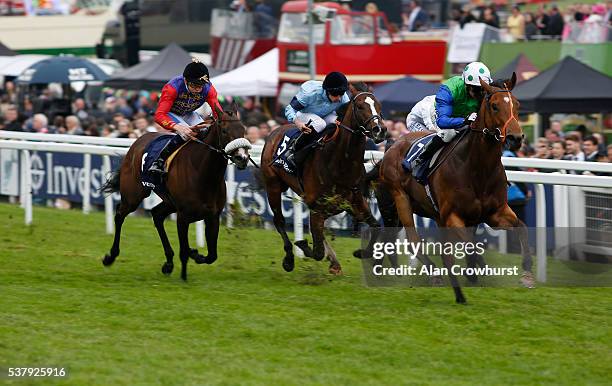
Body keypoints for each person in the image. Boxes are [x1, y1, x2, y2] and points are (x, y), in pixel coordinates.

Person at [410, 62, 492, 182]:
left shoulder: (483, 92)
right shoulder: (449, 89)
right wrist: (464, 120)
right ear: (466, 85)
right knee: (447, 134)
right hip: (426, 114)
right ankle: (419, 162)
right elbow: (442, 122)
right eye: (476, 89)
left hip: (454, 114)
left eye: (482, 89)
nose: (480, 94)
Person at [149, 60, 223, 175]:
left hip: (188, 112)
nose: (198, 89)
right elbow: (159, 115)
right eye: (194, 85)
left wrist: (221, 121)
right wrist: (177, 127)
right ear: (185, 80)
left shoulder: (209, 89)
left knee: (205, 130)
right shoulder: (172, 88)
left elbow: (218, 111)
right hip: (170, 113)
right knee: (186, 131)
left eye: (201, 86)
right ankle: (159, 160)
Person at [282, 71, 350, 166]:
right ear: (327, 90)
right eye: (336, 95)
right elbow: (290, 109)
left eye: (341, 94)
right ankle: (294, 150)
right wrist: (298, 123)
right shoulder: (310, 93)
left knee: (338, 123)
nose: (339, 98)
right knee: (320, 123)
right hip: (303, 114)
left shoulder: (343, 98)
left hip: (325, 116)